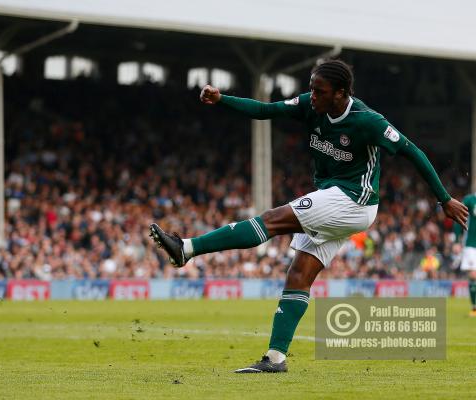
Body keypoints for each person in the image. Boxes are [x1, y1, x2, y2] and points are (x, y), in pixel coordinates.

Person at [149, 59, 468, 373]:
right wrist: (221, 100)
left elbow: (413, 151)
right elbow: (264, 111)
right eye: (311, 89)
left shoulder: (368, 121)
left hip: (354, 201)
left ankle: (187, 249)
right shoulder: (309, 106)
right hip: (332, 198)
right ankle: (275, 359)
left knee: (272, 219)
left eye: (319, 91)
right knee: (298, 276)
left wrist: (444, 199)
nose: (311, 96)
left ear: (341, 94)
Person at [455, 192, 476, 316]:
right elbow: (457, 216)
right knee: (473, 275)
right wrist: (457, 240)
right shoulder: (470, 199)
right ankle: (474, 308)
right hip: (471, 245)